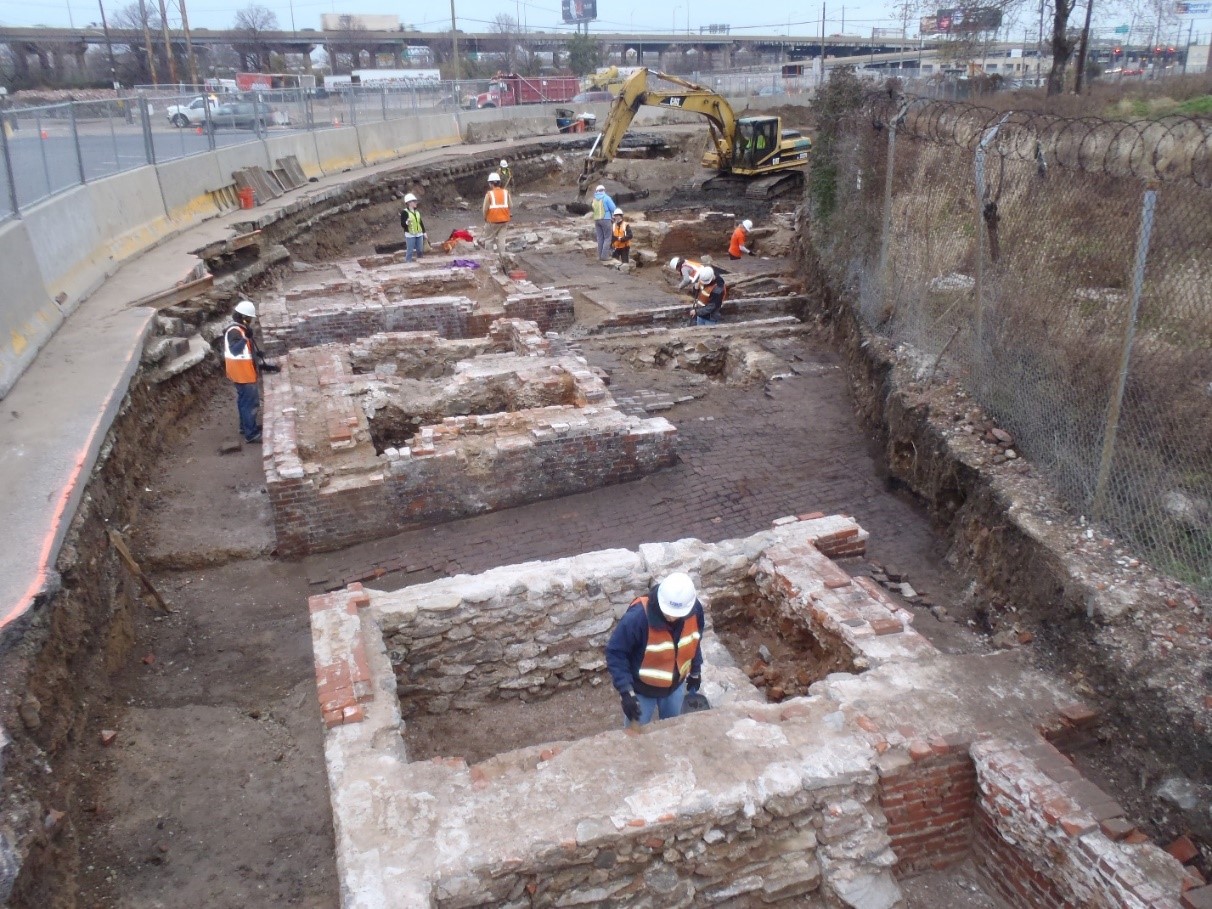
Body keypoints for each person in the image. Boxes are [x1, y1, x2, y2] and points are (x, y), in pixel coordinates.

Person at [606, 572, 705, 727]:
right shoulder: (638, 618)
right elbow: (616, 653)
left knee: (672, 729)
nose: (672, 618)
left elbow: (693, 640)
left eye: (677, 614)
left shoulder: (694, 610)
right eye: (669, 613)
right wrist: (626, 691)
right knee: (635, 734)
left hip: (674, 687)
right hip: (642, 691)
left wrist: (695, 670)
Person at [224, 300, 279, 443]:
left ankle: (246, 427)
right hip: (243, 374)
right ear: (243, 317)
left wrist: (256, 354)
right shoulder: (235, 332)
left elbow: (245, 351)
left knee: (243, 402)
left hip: (241, 373)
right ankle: (252, 434)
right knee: (250, 403)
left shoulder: (240, 329)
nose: (251, 321)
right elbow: (235, 350)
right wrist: (246, 338)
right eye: (249, 318)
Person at [481, 172, 512, 265]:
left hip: (492, 221)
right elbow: (510, 205)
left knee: (489, 240)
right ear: (499, 182)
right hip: (504, 220)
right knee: (502, 240)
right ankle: (503, 260)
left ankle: (491, 260)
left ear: (490, 184)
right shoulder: (506, 192)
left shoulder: (489, 194)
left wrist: (485, 218)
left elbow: (485, 209)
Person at [590, 184, 617, 262]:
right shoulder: (606, 198)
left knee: (600, 238)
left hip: (597, 220)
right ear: (604, 190)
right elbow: (613, 208)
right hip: (605, 219)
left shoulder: (594, 199)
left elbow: (593, 207)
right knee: (608, 238)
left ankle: (600, 256)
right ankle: (604, 256)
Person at [400, 193, 427, 263]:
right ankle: (408, 263)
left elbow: (420, 222)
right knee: (410, 250)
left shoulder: (417, 212)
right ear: (409, 203)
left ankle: (420, 262)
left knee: (420, 250)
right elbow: (402, 224)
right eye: (414, 201)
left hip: (419, 233)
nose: (416, 203)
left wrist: (424, 232)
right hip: (410, 234)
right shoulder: (404, 212)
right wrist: (407, 222)